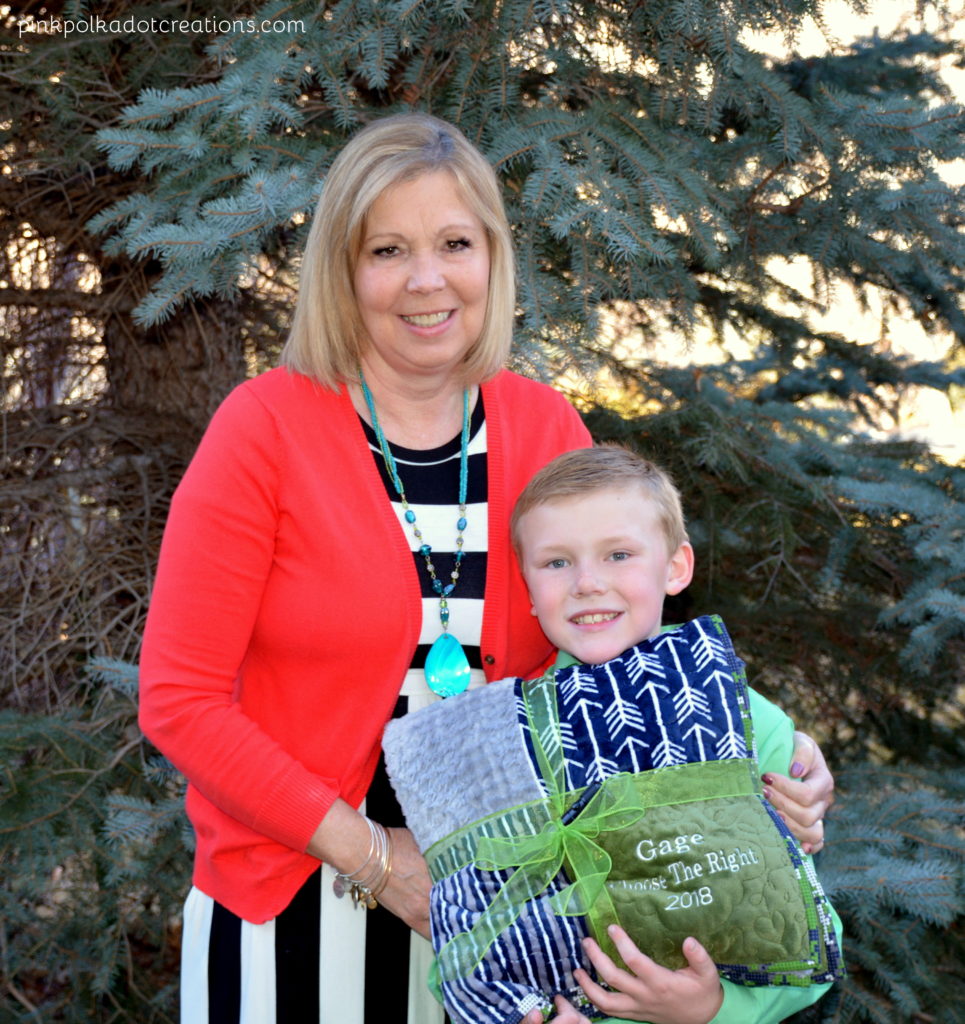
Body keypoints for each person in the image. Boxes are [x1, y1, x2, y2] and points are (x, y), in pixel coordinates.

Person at [138, 112, 833, 1024]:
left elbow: (621, 660)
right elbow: (180, 701)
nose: (427, 280)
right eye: (387, 249)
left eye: (454, 243)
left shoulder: (545, 429)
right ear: (343, 271)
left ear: (492, 256)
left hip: (525, 916)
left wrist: (768, 758)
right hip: (298, 899)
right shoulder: (263, 430)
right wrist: (377, 860)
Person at [506, 446, 842, 1023]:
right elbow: (482, 928)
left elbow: (811, 935)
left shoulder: (751, 725)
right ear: (528, 588)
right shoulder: (508, 741)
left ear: (676, 567)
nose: (587, 583)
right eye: (556, 562)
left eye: (618, 554)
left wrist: (716, 1006)